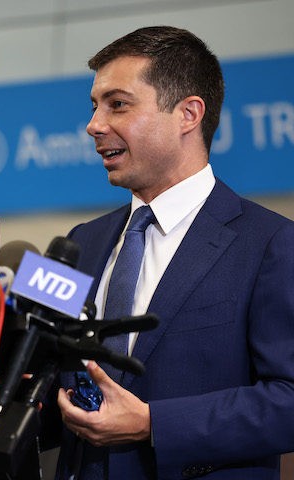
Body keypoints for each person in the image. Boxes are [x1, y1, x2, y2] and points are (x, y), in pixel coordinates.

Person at [55, 26, 294, 479]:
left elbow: (289, 399)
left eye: (117, 104)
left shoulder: (272, 244)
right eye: (94, 107)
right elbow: (52, 383)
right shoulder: (78, 243)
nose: (93, 125)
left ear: (188, 114)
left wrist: (153, 425)